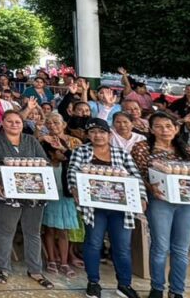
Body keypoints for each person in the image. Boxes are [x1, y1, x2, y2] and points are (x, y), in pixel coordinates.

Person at [68, 118, 143, 298]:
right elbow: (72, 172)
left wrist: (141, 196)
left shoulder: (121, 154)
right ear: (88, 135)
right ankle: (93, 282)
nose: (98, 136)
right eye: (93, 132)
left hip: (120, 208)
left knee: (122, 246)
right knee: (93, 243)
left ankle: (124, 284)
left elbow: (135, 176)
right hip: (94, 208)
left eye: (101, 132)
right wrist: (75, 189)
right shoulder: (81, 151)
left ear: (109, 134)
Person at [131, 111, 190, 298]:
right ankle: (157, 288)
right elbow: (137, 175)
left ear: (176, 129)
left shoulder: (186, 149)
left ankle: (177, 290)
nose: (164, 130)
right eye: (159, 126)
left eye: (169, 126)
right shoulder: (142, 148)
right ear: (151, 129)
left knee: (181, 249)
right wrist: (149, 188)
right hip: (160, 201)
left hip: (188, 203)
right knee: (160, 247)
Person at [0, 110, 53, 289]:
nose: (14, 125)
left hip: (33, 193)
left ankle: (35, 270)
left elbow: (44, 161)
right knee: (6, 231)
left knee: (33, 232)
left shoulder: (31, 140)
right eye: (10, 121)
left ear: (23, 124)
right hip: (7, 193)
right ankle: (4, 268)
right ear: (3, 123)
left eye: (18, 122)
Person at [38, 112, 81, 277]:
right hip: (50, 195)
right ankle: (51, 259)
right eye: (49, 123)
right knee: (48, 229)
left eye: (56, 122)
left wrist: (63, 149)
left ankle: (64, 261)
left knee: (64, 231)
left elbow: (77, 159)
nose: (52, 126)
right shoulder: (43, 144)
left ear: (64, 124)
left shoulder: (73, 143)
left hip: (66, 195)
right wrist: (42, 138)